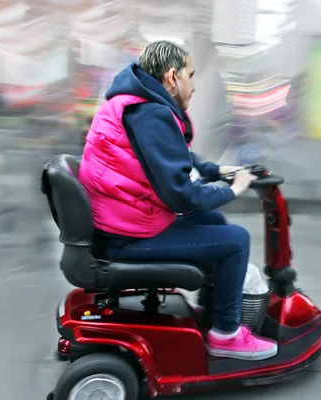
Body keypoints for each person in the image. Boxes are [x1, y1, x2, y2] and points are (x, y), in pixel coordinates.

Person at [78, 40, 278, 361]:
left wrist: (216, 169)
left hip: (122, 223)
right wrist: (233, 189)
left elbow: (170, 156)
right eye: (191, 75)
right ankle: (226, 334)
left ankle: (209, 308)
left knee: (213, 224)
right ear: (172, 77)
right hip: (126, 237)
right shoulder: (148, 114)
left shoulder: (135, 103)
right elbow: (180, 193)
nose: (194, 85)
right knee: (236, 240)